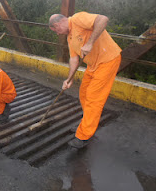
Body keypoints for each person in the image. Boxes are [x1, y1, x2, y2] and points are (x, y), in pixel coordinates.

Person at [49, 12, 122, 149]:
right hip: (93, 65)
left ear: (58, 24)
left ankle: (83, 136)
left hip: (107, 61)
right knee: (83, 94)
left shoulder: (77, 19)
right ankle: (86, 123)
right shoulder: (69, 37)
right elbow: (74, 59)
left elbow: (103, 19)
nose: (58, 33)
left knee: (94, 99)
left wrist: (90, 43)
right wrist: (69, 79)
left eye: (56, 30)